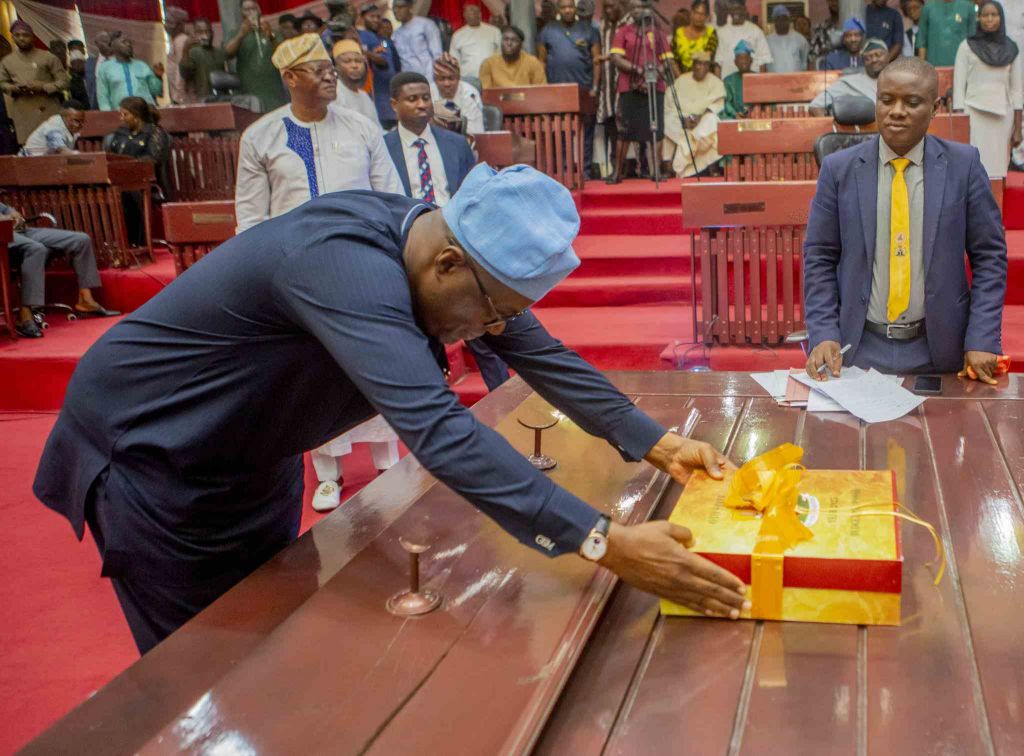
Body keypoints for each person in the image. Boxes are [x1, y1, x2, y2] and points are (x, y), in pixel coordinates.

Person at [35, 157, 750, 653]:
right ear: (448, 265)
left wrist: (658, 444)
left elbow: (545, 356)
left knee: (274, 634)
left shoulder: (458, 258)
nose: (493, 332)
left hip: (254, 452)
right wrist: (602, 540)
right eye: (491, 313)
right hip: (155, 461)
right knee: (203, 666)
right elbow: (439, 431)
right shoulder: (344, 264)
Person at [803, 58, 1007, 383]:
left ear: (935, 107)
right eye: (887, 100)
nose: (897, 111)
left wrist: (981, 337)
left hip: (939, 348)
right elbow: (819, 257)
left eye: (912, 102)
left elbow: (989, 257)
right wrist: (824, 331)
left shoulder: (963, 166)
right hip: (857, 347)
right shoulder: (838, 170)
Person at [234, 33, 400, 234]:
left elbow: (392, 197)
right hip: (293, 252)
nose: (330, 77)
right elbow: (251, 219)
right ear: (291, 77)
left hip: (360, 243)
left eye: (331, 70)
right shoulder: (260, 137)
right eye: (319, 71)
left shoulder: (361, 127)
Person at [3, 197, 118, 338]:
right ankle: (25, 315)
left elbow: (6, 209)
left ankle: (85, 300)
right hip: (3, 234)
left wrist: (14, 214)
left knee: (81, 240)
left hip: (19, 230)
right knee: (36, 249)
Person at [606, 1, 676, 184]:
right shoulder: (623, 31)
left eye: (641, 7)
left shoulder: (657, 33)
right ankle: (617, 172)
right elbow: (616, 58)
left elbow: (667, 60)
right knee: (625, 130)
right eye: (634, 8)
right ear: (630, 10)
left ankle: (656, 171)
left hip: (654, 85)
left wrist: (653, 72)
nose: (638, 11)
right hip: (629, 86)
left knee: (657, 129)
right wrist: (638, 70)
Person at [953, 1, 1022, 179]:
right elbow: (959, 86)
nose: (989, 19)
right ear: (979, 18)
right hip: (973, 114)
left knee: (998, 172)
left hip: (1002, 116)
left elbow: (1017, 90)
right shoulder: (966, 46)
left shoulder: (1012, 49)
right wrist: (960, 117)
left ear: (1001, 18)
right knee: (974, 169)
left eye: (994, 15)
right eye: (985, 15)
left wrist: (1017, 128)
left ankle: (997, 205)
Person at [537, 0, 601, 171]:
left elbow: (596, 61)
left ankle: (585, 170)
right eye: (564, 7)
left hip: (584, 88)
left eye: (570, 7)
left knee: (586, 131)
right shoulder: (548, 30)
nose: (567, 10)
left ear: (575, 8)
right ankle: (563, 169)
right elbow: (541, 61)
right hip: (556, 89)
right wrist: (543, 88)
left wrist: (595, 87)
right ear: (559, 10)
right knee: (560, 132)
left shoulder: (589, 30)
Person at [105, 96, 172, 245]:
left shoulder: (155, 132)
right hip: (120, 180)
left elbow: (154, 158)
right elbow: (112, 156)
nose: (121, 118)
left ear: (136, 116)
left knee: (130, 194)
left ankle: (138, 241)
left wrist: (130, 166)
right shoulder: (121, 133)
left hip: (148, 182)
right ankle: (118, 241)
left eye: (125, 114)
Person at [0, 20, 69, 144]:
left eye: (25, 35)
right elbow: (2, 82)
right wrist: (14, 88)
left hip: (47, 110)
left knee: (54, 147)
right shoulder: (7, 61)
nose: (21, 38)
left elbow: (64, 82)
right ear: (13, 37)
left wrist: (42, 86)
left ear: (32, 36)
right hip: (23, 113)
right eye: (17, 35)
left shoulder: (48, 57)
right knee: (30, 151)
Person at [664, 51, 724, 177]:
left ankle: (686, 158)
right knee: (668, 120)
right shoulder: (682, 80)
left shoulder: (715, 82)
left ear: (708, 67)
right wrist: (683, 120)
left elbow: (717, 104)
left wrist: (699, 117)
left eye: (704, 64)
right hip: (682, 121)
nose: (700, 67)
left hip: (702, 119)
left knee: (712, 120)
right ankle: (673, 162)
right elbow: (670, 105)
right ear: (693, 65)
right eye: (698, 63)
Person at [225, 0, 287, 113]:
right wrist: (241, 34)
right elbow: (227, 54)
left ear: (260, 10)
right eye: (246, 9)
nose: (251, 12)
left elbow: (284, 54)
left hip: (274, 91)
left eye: (253, 8)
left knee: (279, 122)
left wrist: (271, 35)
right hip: (250, 91)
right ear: (241, 13)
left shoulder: (272, 31)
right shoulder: (236, 33)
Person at [809, 38, 890, 115]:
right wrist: (833, 127)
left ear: (888, 56)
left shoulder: (899, 81)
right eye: (868, 57)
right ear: (863, 62)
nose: (874, 60)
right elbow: (815, 106)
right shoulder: (849, 82)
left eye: (878, 55)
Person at [357, 3, 401, 129]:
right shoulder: (357, 35)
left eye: (378, 17)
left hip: (384, 99)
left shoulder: (383, 41)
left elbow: (385, 61)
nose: (376, 20)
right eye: (372, 16)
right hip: (364, 96)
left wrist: (365, 52)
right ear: (362, 17)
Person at [96, 34, 163, 111]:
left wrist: (158, 77)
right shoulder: (105, 67)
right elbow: (102, 96)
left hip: (144, 113)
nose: (128, 45)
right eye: (124, 42)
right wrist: (108, 115)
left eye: (130, 43)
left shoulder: (142, 65)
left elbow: (156, 91)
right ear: (113, 46)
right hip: (121, 114)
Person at [597, 0, 625, 173]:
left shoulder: (628, 24)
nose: (609, 10)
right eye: (606, 7)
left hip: (625, 83)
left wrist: (606, 57)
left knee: (628, 125)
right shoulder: (602, 26)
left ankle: (636, 167)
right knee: (611, 125)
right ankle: (615, 168)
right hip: (607, 84)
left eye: (612, 6)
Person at [716, 0, 771, 78]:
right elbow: (718, 62)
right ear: (729, 10)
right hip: (728, 83)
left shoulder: (756, 31)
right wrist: (719, 85)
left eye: (739, 7)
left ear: (745, 10)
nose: (736, 11)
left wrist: (760, 83)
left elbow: (763, 60)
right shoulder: (721, 33)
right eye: (733, 7)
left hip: (752, 81)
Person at [431, 54, 485, 133]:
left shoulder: (471, 95)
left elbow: (474, 132)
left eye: (451, 78)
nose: (447, 84)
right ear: (435, 79)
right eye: (442, 79)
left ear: (458, 78)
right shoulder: (427, 93)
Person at [479, 26, 547, 87]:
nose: (509, 43)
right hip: (496, 101)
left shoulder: (533, 62)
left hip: (528, 100)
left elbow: (541, 90)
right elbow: (486, 93)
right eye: (505, 39)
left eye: (514, 40)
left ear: (521, 45)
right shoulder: (488, 64)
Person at [392, 0, 444, 80]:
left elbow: (437, 53)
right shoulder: (396, 34)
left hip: (429, 78)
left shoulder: (425, 24)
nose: (396, 11)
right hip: (408, 80)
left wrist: (438, 76)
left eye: (400, 7)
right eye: (394, 8)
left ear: (410, 8)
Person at [333, 39, 380, 124]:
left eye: (358, 61)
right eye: (347, 61)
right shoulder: (333, 93)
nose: (354, 66)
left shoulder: (364, 96)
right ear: (336, 66)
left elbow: (377, 129)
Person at [450, 3, 502, 79]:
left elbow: (501, 55)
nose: (474, 15)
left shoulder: (494, 31)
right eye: (470, 12)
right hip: (467, 78)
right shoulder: (458, 35)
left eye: (476, 12)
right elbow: (454, 61)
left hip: (492, 76)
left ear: (480, 14)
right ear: (464, 15)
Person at [917, 0, 977, 67]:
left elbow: (973, 42)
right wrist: (921, 68)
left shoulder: (968, 7)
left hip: (961, 67)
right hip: (934, 67)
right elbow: (922, 41)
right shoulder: (928, 8)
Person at [180, 18, 228, 100]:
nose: (204, 35)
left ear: (212, 33)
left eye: (207, 31)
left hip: (221, 98)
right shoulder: (193, 52)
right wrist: (186, 49)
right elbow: (184, 73)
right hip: (203, 99)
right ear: (195, 34)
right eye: (200, 32)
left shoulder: (219, 52)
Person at [20, 99, 85, 156]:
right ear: (64, 117)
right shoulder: (53, 128)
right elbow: (62, 151)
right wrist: (87, 158)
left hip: (44, 162)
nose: (80, 125)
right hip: (26, 162)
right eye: (76, 120)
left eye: (82, 121)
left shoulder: (72, 128)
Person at [673, 0, 717, 71]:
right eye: (696, 13)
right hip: (681, 78)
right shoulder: (679, 33)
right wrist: (681, 78)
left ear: (707, 16)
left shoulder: (711, 33)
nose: (699, 17)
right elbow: (673, 60)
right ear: (692, 13)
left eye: (702, 14)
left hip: (705, 77)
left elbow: (707, 56)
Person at [766, 5, 809, 73]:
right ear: (774, 21)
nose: (782, 21)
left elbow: (805, 61)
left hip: (796, 80)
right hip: (774, 81)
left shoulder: (800, 39)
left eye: (784, 18)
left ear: (788, 20)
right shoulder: (767, 41)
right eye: (779, 19)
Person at [164, 6, 193, 104]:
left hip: (184, 97)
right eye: (165, 21)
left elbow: (181, 70)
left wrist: (177, 98)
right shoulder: (175, 40)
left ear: (180, 25)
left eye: (170, 22)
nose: (166, 25)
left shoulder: (181, 41)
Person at [721, 39, 752, 118]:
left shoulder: (759, 79)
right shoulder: (728, 81)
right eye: (740, 58)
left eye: (745, 58)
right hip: (735, 118)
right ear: (735, 62)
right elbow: (726, 103)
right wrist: (735, 114)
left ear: (751, 60)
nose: (743, 61)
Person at [809, 0, 842, 70]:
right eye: (831, 0)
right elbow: (812, 58)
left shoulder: (851, 29)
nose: (834, 2)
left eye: (838, 0)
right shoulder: (820, 29)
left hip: (848, 74)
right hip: (826, 74)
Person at [85, 31, 113, 110]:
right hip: (95, 106)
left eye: (109, 42)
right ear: (96, 43)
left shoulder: (119, 62)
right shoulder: (89, 63)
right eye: (104, 42)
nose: (107, 45)